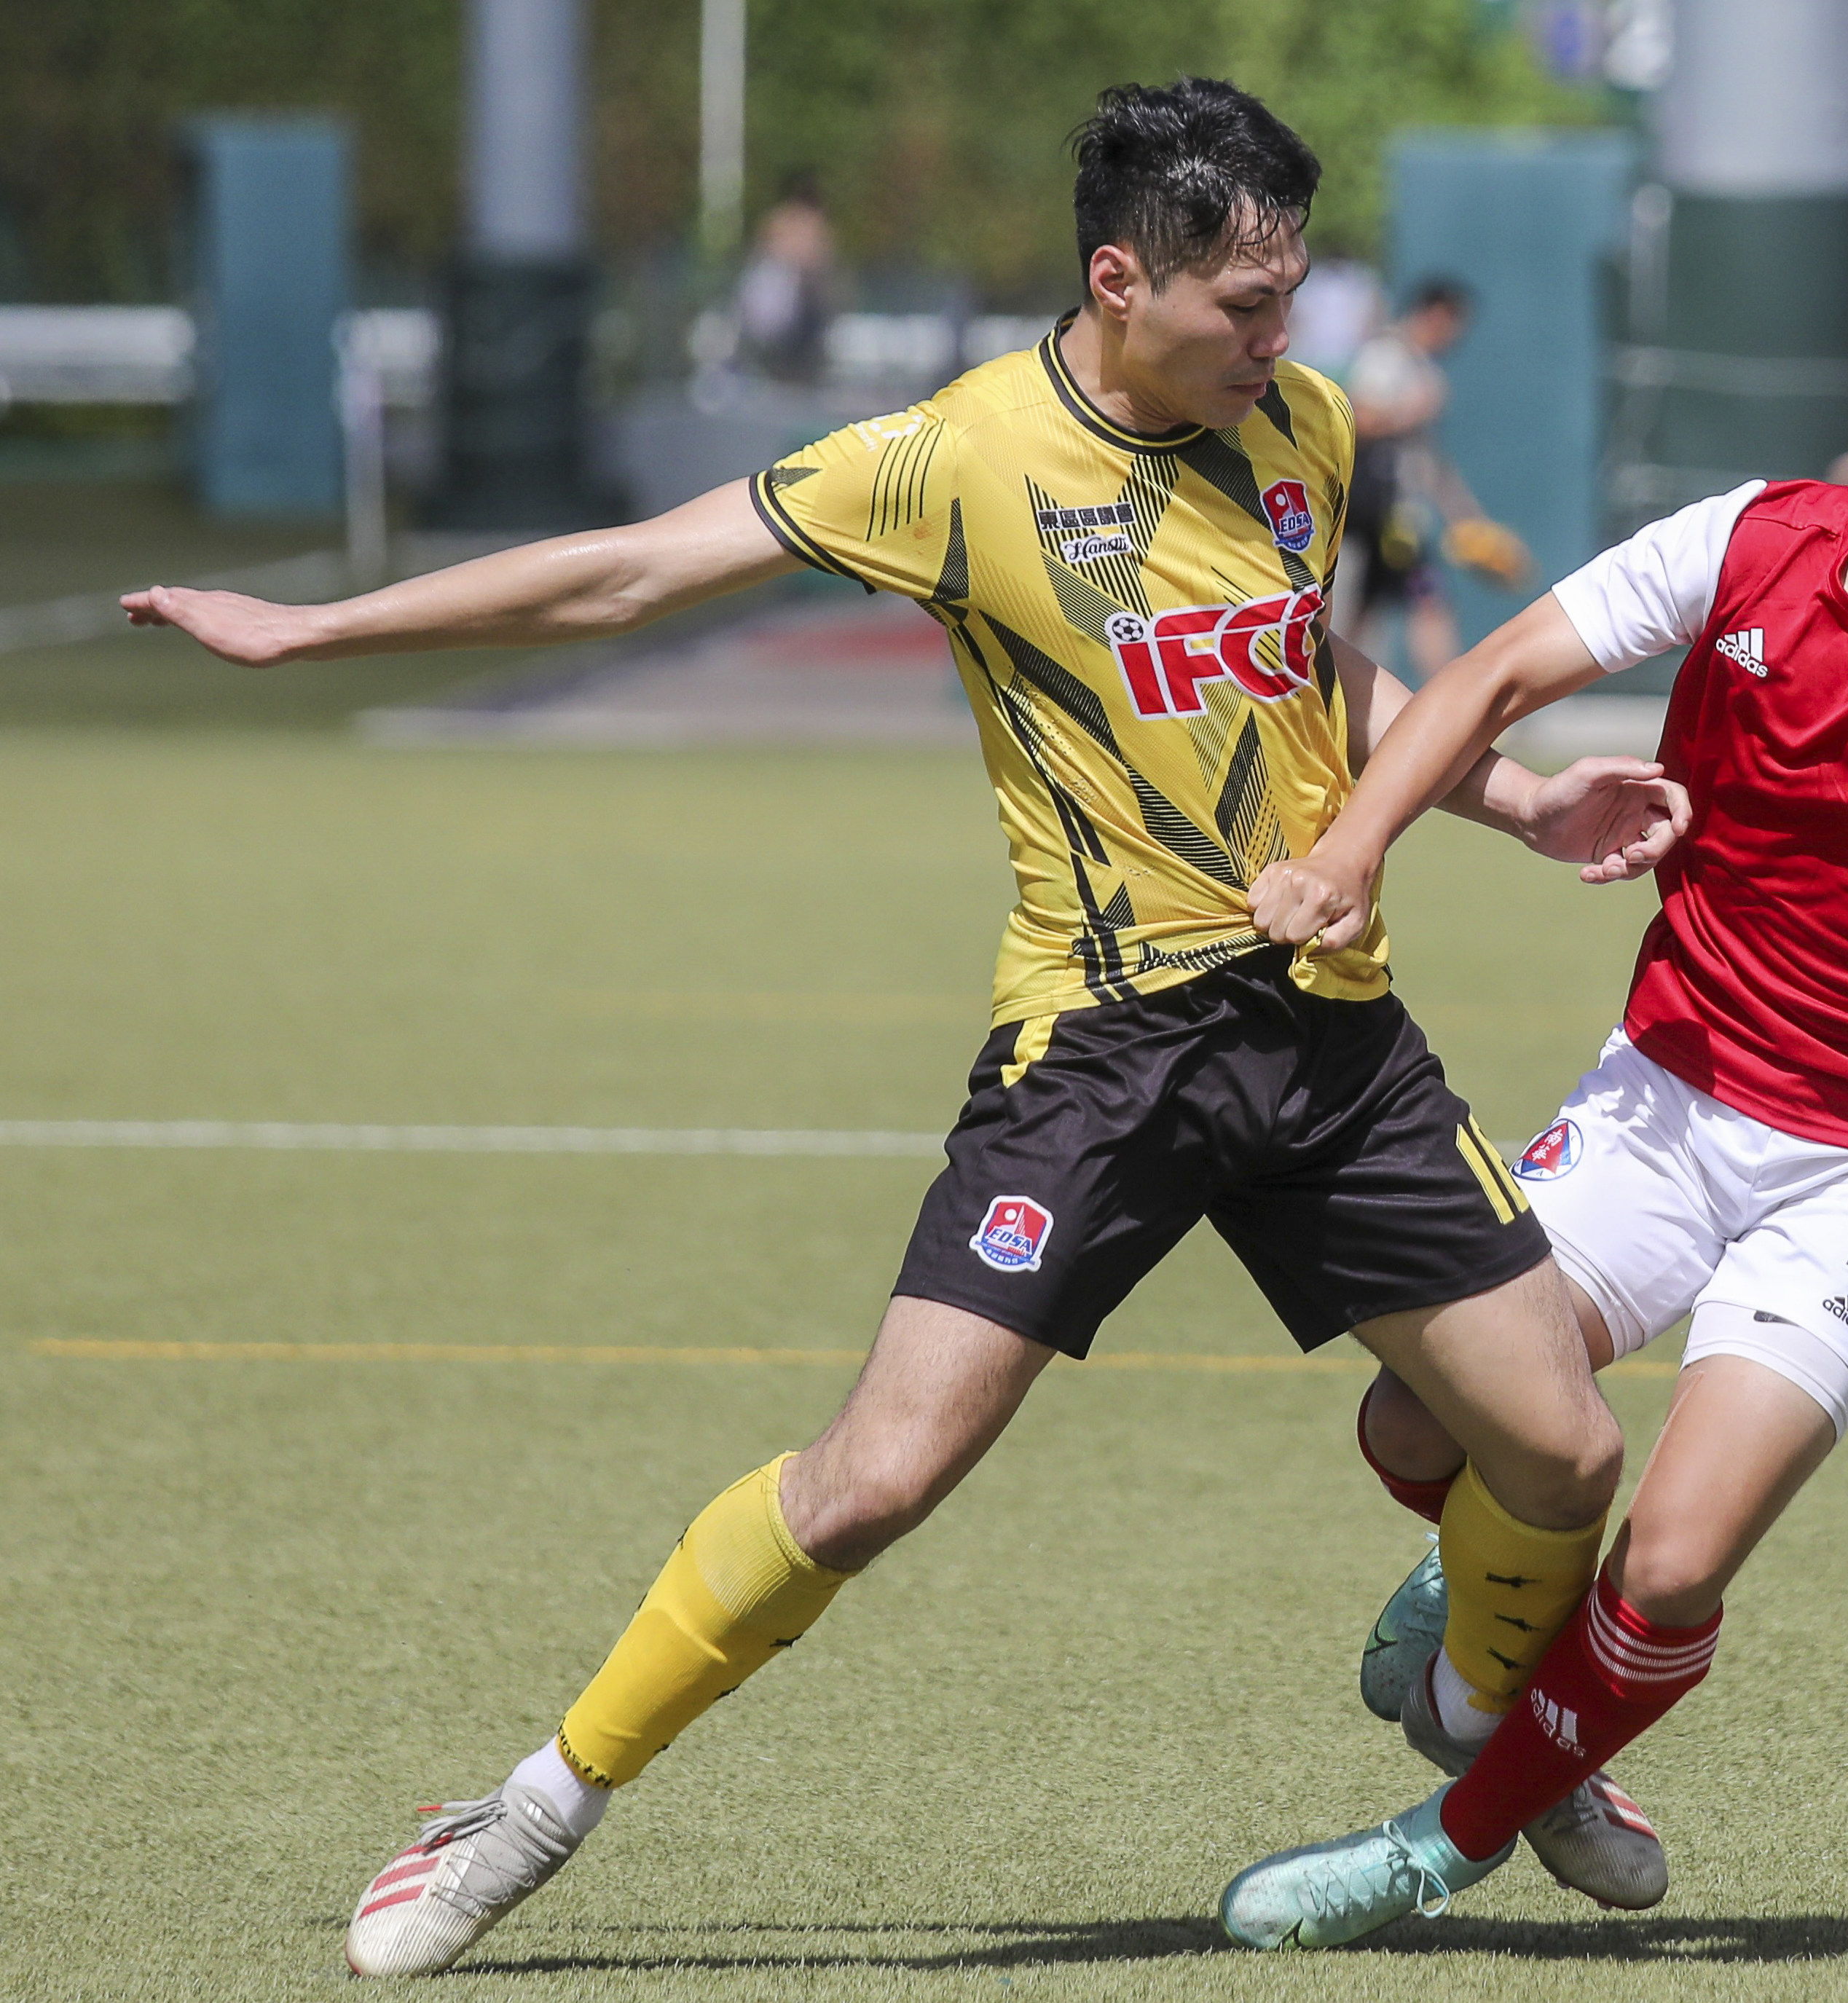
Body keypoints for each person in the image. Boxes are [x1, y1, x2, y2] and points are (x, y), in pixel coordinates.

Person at [124, 79, 1688, 1977]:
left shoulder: (1304, 423)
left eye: (1289, 298)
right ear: (1120, 279)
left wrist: (1510, 795)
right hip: (1102, 1053)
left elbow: (1309, 651)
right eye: (1241, 308)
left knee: (1562, 1455)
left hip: (1333, 1041)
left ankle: (1493, 1734)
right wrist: (315, 629)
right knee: (874, 1477)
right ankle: (531, 1800)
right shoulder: (952, 460)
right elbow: (628, 566)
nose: (1278, 341)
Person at [1216, 294, 1848, 1948]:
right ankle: (1532, 1675)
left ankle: (1444, 1839)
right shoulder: (1747, 547)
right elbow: (1496, 666)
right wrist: (1351, 851)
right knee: (1419, 1425)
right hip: (1670, 1089)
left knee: (1681, 1553)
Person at [1338, 277, 1533, 678]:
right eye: (1453, 324)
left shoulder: (1422, 367)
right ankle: (1455, 699)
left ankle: (1326, 694)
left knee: (1364, 614)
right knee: (1430, 605)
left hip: (1399, 508)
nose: (1455, 337)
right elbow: (1356, 419)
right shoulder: (1387, 356)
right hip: (1380, 507)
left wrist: (1467, 517)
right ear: (1435, 314)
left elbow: (1430, 461)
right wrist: (1410, 410)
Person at [735, 168, 840, 385]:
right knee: (788, 345)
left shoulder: (780, 219)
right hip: (787, 293)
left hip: (793, 295)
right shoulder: (803, 222)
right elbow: (816, 259)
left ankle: (784, 375)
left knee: (792, 347)